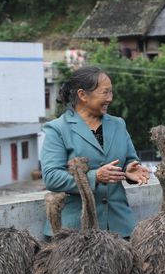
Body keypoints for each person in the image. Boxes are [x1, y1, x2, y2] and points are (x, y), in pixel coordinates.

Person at [41, 66, 150, 239]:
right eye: (105, 93)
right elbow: (52, 177)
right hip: (74, 233)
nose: (110, 98)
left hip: (119, 229)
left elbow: (130, 159)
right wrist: (95, 177)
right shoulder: (58, 129)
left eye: (111, 93)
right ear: (83, 95)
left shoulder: (118, 124)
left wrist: (130, 170)